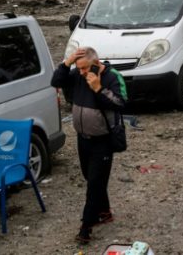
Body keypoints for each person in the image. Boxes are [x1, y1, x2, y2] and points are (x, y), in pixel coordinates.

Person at [50, 47, 127, 244]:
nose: (82, 72)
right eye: (79, 68)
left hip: (103, 140)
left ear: (96, 63)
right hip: (82, 138)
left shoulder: (112, 76)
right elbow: (55, 82)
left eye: (85, 68)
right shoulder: (77, 74)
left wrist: (98, 88)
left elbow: (121, 103)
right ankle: (104, 212)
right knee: (90, 177)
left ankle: (86, 228)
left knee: (94, 184)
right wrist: (67, 63)